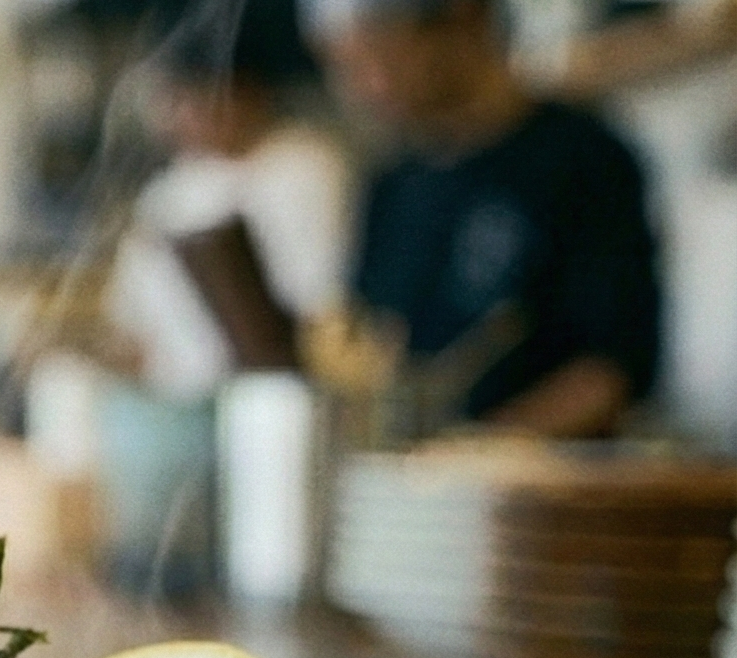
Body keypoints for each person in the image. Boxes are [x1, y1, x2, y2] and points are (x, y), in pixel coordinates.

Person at [311, 0, 661, 435]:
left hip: (543, 484)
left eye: (381, 52)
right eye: (343, 65)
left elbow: (610, 371)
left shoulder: (583, 159)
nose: (365, 87)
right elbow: (366, 343)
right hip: (406, 483)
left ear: (465, 17)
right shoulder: (392, 186)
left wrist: (479, 452)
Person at [108, 17, 354, 402]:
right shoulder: (169, 193)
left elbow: (324, 321)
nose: (185, 114)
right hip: (175, 409)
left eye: (202, 94)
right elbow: (131, 331)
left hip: (272, 406)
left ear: (252, 91)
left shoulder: (303, 168)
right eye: (175, 98)